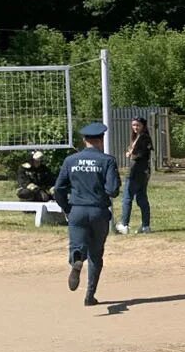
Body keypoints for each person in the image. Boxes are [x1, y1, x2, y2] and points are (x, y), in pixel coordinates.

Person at [52, 121, 119, 306]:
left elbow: (58, 188)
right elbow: (112, 190)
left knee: (77, 246)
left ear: (84, 140)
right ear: (101, 140)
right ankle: (90, 295)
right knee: (96, 255)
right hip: (98, 211)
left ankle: (77, 260)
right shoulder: (108, 160)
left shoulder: (70, 160)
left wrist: (66, 207)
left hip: (77, 211)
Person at [116, 116, 153, 235]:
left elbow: (140, 154)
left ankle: (124, 224)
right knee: (141, 198)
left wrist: (131, 154)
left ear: (143, 126)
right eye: (134, 125)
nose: (135, 127)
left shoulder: (144, 138)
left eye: (138, 125)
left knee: (127, 197)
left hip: (136, 171)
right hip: (142, 172)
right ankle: (146, 226)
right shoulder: (138, 137)